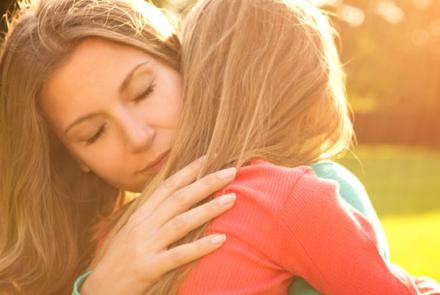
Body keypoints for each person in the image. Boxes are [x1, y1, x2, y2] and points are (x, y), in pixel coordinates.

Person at [0, 0, 415, 294]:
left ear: (184, 63)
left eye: (144, 91)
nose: (138, 136)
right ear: (75, 160)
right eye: (94, 134)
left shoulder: (301, 191)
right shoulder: (102, 247)